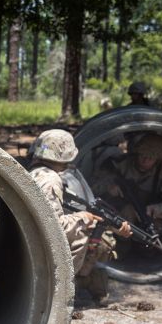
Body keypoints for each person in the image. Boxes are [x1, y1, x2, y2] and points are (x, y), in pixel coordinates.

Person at [29, 129, 131, 302]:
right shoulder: (51, 180)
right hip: (39, 243)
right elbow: (52, 226)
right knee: (94, 240)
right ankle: (59, 292)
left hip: (30, 239)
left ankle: (84, 282)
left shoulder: (36, 172)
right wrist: (84, 218)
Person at [92, 133, 162, 234]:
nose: (145, 160)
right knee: (127, 216)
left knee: (156, 229)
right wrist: (109, 188)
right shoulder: (120, 164)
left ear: (158, 159)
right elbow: (93, 186)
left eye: (150, 158)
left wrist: (157, 209)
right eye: (142, 155)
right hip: (120, 210)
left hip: (149, 214)